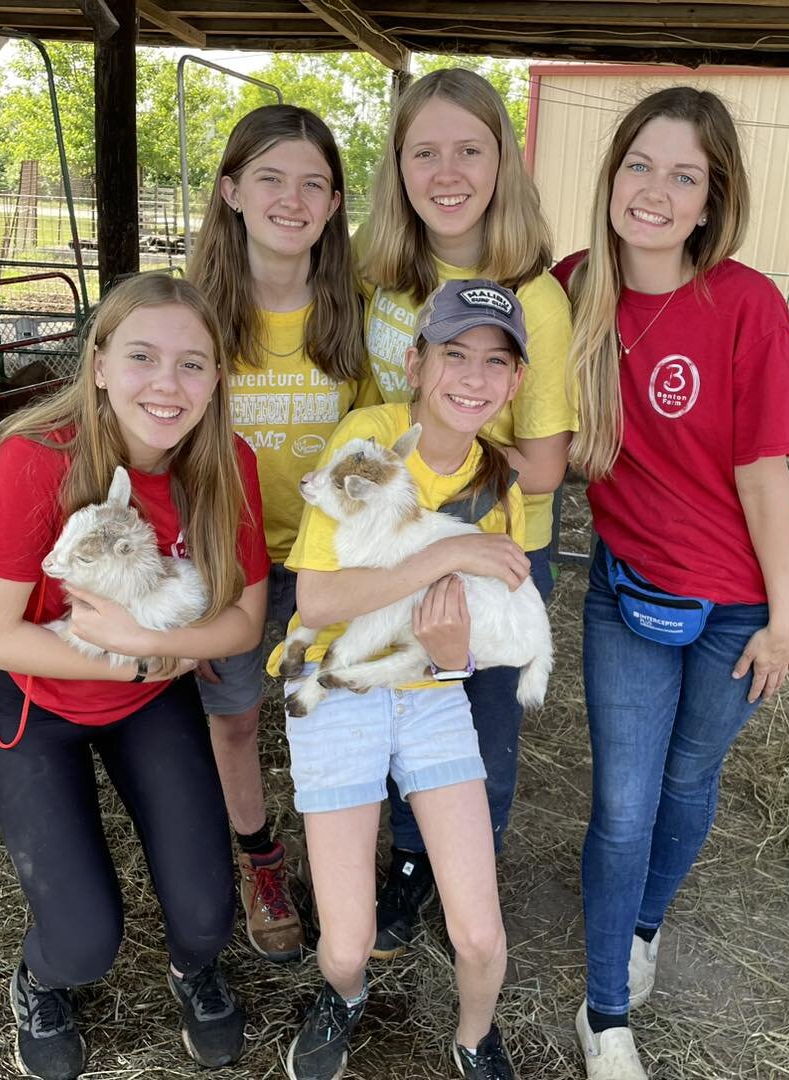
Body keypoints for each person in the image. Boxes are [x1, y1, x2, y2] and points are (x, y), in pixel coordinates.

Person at [551, 87, 789, 1080]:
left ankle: (646, 923)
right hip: (627, 594)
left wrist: (785, 620)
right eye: (640, 166)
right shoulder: (572, 287)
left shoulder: (746, 303)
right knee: (621, 802)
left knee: (689, 777)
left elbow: (763, 472)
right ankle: (606, 1015)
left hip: (742, 603)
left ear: (711, 201)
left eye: (683, 176)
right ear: (612, 175)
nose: (655, 192)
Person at [0, 273, 270, 1079]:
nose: (167, 385)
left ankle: (192, 966)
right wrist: (132, 655)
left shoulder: (227, 465)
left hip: (147, 695)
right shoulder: (39, 461)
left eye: (192, 364)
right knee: (84, 942)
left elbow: (244, 621)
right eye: (141, 357)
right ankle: (40, 979)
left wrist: (169, 653)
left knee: (207, 917)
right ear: (97, 364)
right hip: (36, 694)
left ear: (217, 378)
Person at [274, 279, 535, 1080]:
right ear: (417, 363)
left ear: (516, 381)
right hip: (334, 681)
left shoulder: (499, 487)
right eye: (455, 354)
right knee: (345, 946)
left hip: (428, 696)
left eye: (496, 362)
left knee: (481, 936)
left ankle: (473, 1035)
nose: (473, 377)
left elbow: (482, 642)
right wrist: (449, 552)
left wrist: (456, 657)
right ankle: (342, 998)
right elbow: (317, 599)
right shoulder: (369, 441)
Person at [357, 66, 575, 957]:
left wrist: (436, 472)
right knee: (403, 709)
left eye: (470, 150)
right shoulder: (384, 281)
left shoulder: (535, 295)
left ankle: (467, 884)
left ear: (503, 161)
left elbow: (549, 464)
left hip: (492, 550)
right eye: (424, 152)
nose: (447, 172)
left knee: (476, 730)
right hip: (394, 543)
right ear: (398, 168)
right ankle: (411, 864)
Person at [185, 103, 369, 963]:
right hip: (233, 560)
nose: (290, 200)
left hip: (327, 560)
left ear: (334, 205)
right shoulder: (195, 318)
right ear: (230, 191)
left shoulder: (357, 318)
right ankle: (260, 858)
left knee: (333, 714)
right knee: (233, 719)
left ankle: (342, 872)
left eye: (312, 184)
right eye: (269, 178)